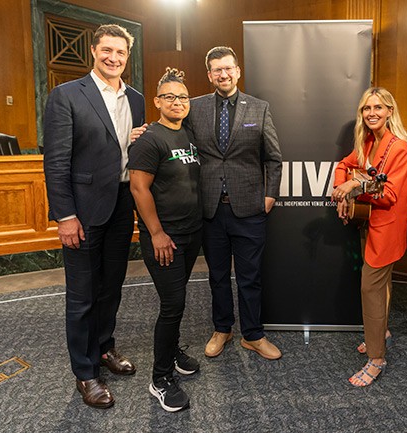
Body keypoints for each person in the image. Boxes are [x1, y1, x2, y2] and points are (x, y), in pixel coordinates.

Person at [43, 24, 145, 409]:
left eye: (120, 52)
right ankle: (85, 373)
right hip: (82, 211)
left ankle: (104, 349)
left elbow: (128, 148)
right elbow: (55, 163)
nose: (113, 58)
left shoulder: (135, 99)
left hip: (122, 204)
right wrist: (65, 215)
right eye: (106, 50)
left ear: (126, 56)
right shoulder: (67, 95)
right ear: (93, 51)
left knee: (112, 287)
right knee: (83, 295)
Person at [189, 46, 283, 360]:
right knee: (216, 275)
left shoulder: (259, 108)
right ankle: (223, 329)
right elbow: (174, 139)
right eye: (217, 70)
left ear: (238, 71)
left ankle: (254, 335)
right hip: (211, 209)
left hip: (249, 208)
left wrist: (270, 195)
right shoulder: (194, 108)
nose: (223, 74)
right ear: (209, 75)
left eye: (228, 68)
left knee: (250, 276)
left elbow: (273, 157)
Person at [128, 68, 201, 413]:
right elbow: (138, 188)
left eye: (183, 97)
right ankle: (160, 379)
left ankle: (172, 353)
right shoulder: (148, 139)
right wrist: (155, 232)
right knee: (173, 305)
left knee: (179, 299)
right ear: (157, 102)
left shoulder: (187, 133)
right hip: (164, 239)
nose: (177, 102)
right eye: (169, 97)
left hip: (191, 235)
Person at [332, 87, 407, 387]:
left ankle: (376, 358)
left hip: (387, 229)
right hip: (368, 224)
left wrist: (355, 186)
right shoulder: (367, 141)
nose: (372, 113)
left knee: (371, 289)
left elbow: (390, 193)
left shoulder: (399, 148)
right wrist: (342, 189)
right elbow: (344, 166)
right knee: (383, 286)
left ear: (390, 111)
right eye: (367, 108)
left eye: (378, 107)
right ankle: (382, 333)